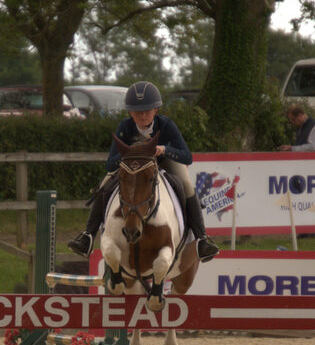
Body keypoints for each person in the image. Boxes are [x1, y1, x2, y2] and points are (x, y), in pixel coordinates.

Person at [67, 80, 220, 263]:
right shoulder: (125, 127)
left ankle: (202, 239)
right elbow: (110, 164)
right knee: (104, 184)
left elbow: (187, 156)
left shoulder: (166, 125)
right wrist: (131, 153)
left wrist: (164, 150)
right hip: (133, 167)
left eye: (147, 110)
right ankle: (87, 236)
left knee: (186, 184)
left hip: (164, 162)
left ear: (156, 110)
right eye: (137, 111)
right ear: (130, 112)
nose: (142, 115)